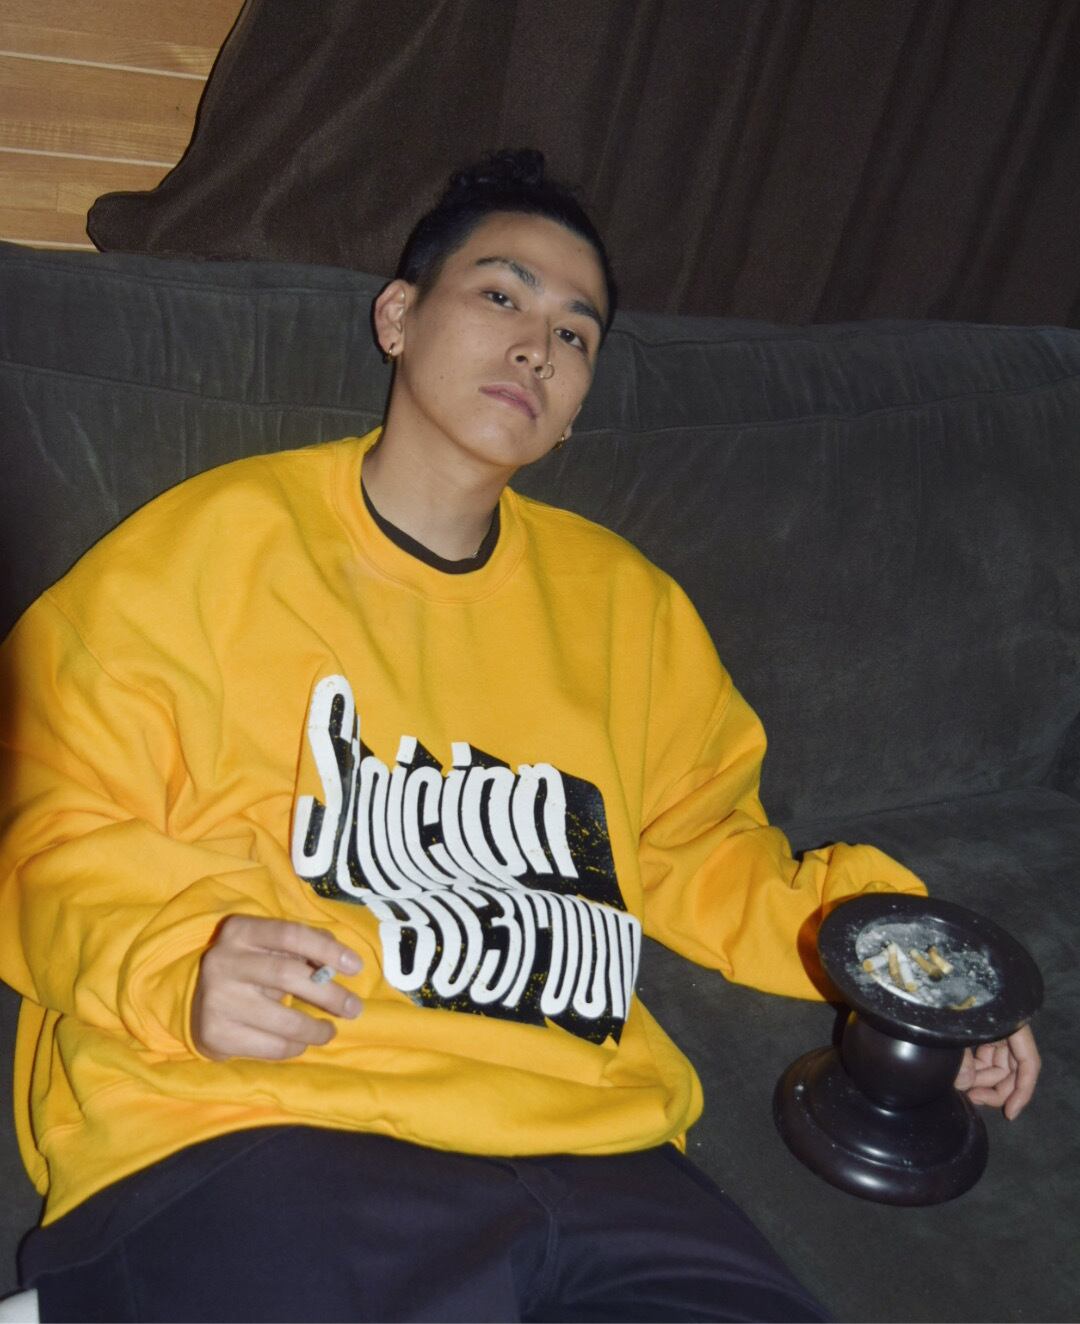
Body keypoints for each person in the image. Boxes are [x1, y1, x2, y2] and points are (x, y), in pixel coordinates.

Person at [0, 149, 1039, 1323]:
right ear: (398, 317)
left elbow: (705, 850)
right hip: (273, 1125)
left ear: (581, 400)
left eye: (576, 333)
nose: (539, 345)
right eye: (501, 295)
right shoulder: (210, 552)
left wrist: (917, 976)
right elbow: (37, 803)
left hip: (608, 1163)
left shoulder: (629, 609)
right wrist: (176, 960)